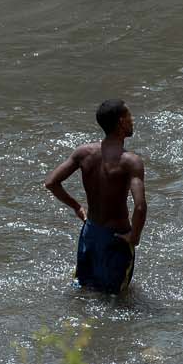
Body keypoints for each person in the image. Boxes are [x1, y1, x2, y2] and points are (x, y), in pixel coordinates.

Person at [44, 99, 147, 294]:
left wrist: (77, 207)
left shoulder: (84, 153)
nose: (133, 120)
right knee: (116, 299)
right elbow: (140, 207)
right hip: (116, 239)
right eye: (129, 116)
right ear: (120, 122)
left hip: (89, 234)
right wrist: (134, 237)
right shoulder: (131, 161)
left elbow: (51, 182)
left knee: (84, 291)